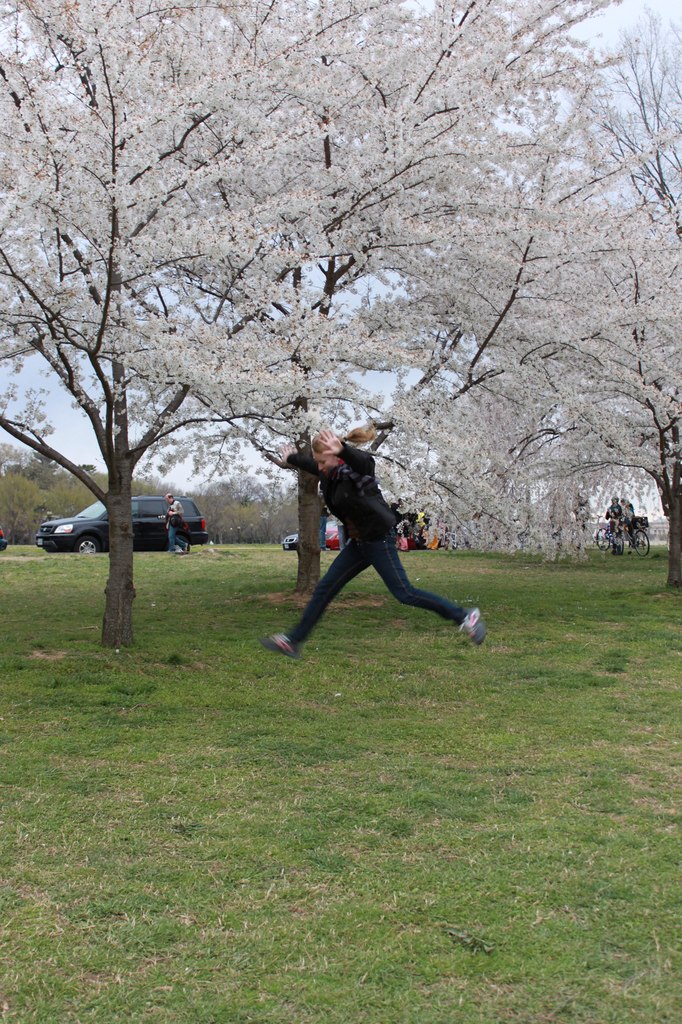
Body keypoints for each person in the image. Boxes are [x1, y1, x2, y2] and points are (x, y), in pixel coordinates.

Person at [260, 426, 486, 658]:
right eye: (316, 462)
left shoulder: (355, 471)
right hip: (359, 544)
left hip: (378, 538)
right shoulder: (329, 473)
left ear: (337, 457)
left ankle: (465, 617)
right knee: (325, 590)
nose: (318, 466)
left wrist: (344, 449)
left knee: (405, 593)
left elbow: (366, 463)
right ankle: (293, 641)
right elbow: (311, 465)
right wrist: (292, 458)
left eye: (321, 461)